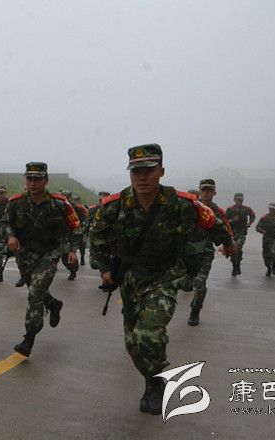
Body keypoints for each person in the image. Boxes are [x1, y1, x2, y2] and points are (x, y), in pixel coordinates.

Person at [89, 144, 236, 415]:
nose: (142, 177)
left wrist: (228, 243)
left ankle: (157, 385)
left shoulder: (181, 204)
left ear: (161, 171)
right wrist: (104, 269)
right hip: (131, 277)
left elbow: (212, 222)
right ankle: (153, 379)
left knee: (149, 332)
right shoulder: (114, 206)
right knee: (133, 343)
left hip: (166, 275)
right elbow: (96, 237)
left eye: (149, 170)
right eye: (136, 172)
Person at [2, 162, 80, 357]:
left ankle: (28, 339)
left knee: (35, 293)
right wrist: (11, 236)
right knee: (35, 288)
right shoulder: (16, 202)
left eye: (37, 179)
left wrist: (72, 250)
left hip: (48, 253)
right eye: (30, 179)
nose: (33, 183)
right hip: (24, 255)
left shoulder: (59, 204)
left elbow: (74, 227)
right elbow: (6, 223)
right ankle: (53, 304)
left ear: (46, 180)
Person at [185, 179, 233, 326]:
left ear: (214, 193)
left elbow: (227, 230)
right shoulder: (189, 206)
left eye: (209, 190)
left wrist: (228, 245)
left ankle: (195, 311)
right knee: (185, 284)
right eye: (203, 190)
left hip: (205, 252)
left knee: (200, 284)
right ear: (199, 191)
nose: (206, 192)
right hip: (186, 251)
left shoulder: (218, 212)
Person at [225, 193, 256, 276]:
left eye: (240, 200)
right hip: (232, 233)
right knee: (233, 250)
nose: (239, 201)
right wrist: (232, 220)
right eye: (237, 200)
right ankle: (234, 266)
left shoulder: (247, 209)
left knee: (238, 247)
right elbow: (225, 221)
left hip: (241, 232)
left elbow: (253, 216)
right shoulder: (230, 209)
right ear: (234, 200)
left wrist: (249, 223)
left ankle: (238, 264)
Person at [255, 203, 275, 276]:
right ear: (269, 209)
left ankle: (273, 266)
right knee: (266, 255)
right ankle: (268, 268)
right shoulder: (264, 218)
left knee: (274, 253)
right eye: (270, 209)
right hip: (266, 238)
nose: (272, 210)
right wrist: (262, 231)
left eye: (273, 209)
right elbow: (257, 227)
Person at [59, 190, 81, 280]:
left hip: (72, 231)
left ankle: (73, 270)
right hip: (60, 233)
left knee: (66, 255)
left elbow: (80, 219)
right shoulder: (58, 205)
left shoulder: (75, 208)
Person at [72, 195, 90, 266]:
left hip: (78, 228)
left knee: (79, 244)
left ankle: (81, 257)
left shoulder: (81, 208)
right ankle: (80, 258)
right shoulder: (82, 208)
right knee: (81, 245)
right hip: (79, 228)